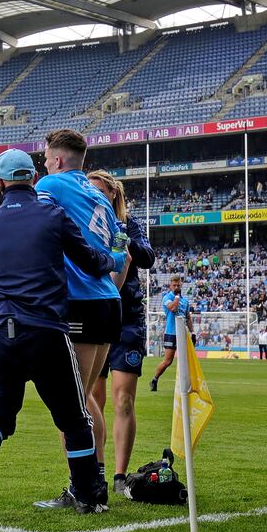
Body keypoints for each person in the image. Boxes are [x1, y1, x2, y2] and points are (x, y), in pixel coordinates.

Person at [0, 149, 126, 514]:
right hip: (47, 330)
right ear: (33, 178)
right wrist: (113, 257)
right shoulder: (53, 214)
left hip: (2, 331)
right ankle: (85, 494)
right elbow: (88, 258)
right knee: (74, 419)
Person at [32, 130, 126, 510]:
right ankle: (96, 481)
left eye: (45, 158)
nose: (43, 165)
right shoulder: (95, 194)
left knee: (71, 405)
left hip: (81, 302)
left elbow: (31, 222)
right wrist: (109, 273)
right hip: (107, 301)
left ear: (56, 160)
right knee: (85, 398)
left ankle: (81, 487)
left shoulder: (51, 184)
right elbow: (121, 245)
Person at [87, 170, 155, 495]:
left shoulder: (129, 224)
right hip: (94, 317)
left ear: (113, 195)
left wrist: (125, 241)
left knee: (123, 400)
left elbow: (148, 258)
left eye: (101, 191)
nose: (95, 196)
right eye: (90, 191)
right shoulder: (81, 226)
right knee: (93, 399)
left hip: (127, 320)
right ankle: (94, 471)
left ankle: (118, 476)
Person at [150, 275, 193, 391]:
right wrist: (177, 297)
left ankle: (186, 385)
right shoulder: (167, 298)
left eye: (178, 285)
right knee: (168, 361)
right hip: (171, 333)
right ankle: (154, 379)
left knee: (187, 360)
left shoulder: (185, 301)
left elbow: (188, 317)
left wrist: (192, 332)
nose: (176, 287)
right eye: (174, 285)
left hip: (183, 334)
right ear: (170, 286)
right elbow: (173, 308)